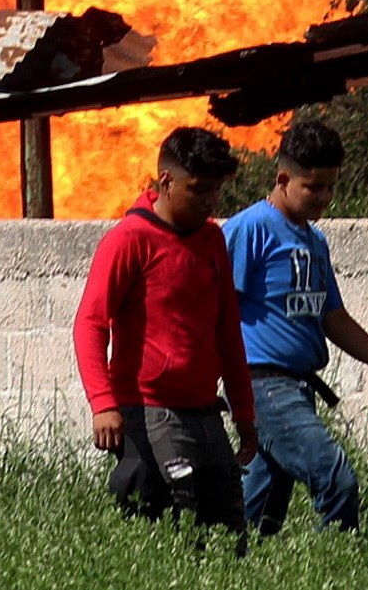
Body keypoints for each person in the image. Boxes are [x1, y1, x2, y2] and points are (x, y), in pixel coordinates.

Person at [225, 118, 368, 536]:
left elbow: (335, 319)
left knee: (253, 521)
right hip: (263, 387)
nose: (325, 197)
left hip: (299, 387)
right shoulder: (249, 230)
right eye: (314, 187)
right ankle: (336, 569)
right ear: (283, 179)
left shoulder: (315, 242)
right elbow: (212, 307)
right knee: (336, 479)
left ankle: (222, 571)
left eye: (331, 187)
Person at [74, 126, 257, 548]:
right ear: (166, 182)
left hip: (204, 411)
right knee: (158, 529)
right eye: (199, 190)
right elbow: (90, 323)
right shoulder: (128, 240)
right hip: (146, 409)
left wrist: (244, 411)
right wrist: (103, 404)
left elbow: (228, 330)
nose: (210, 201)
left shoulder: (212, 239)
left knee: (228, 536)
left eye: (216, 191)